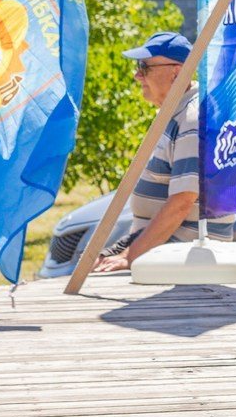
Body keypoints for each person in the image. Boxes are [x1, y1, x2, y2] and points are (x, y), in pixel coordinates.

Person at [90, 32, 226, 273]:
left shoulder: (193, 119)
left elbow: (182, 203)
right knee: (91, 264)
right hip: (168, 244)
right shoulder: (178, 110)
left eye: (144, 67)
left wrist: (131, 257)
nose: (137, 75)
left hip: (185, 254)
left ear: (176, 72)